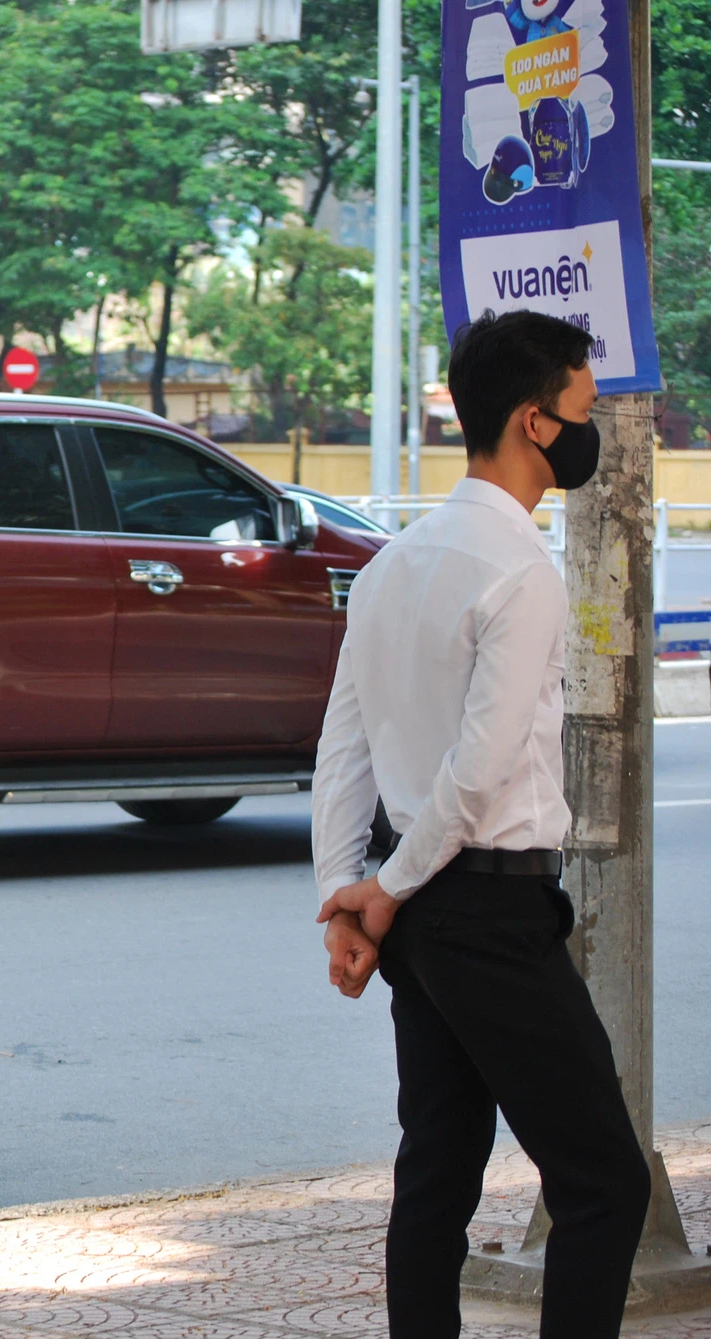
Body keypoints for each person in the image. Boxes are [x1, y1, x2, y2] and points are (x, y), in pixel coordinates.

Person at [311, 308, 650, 1338]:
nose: (590, 429)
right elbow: (478, 769)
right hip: (487, 910)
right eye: (583, 407)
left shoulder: (391, 563)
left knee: (438, 1170)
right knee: (603, 1180)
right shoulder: (519, 571)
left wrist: (346, 895)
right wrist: (375, 891)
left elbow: (342, 750)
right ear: (533, 421)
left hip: (418, 918)